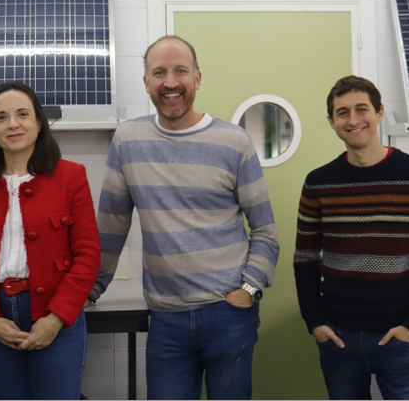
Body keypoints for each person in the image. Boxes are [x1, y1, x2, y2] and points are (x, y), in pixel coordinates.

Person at [88, 35, 280, 400]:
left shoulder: (234, 142)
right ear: (146, 82)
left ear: (197, 78)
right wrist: (91, 289)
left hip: (228, 313)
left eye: (181, 71)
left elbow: (266, 231)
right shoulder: (128, 140)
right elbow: (111, 227)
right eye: (159, 73)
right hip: (166, 318)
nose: (170, 82)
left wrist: (250, 289)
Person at [294, 75, 409, 400]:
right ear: (332, 122)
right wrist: (314, 322)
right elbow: (305, 260)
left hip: (400, 336)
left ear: (380, 112)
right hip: (338, 338)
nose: (353, 120)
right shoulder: (318, 183)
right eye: (342, 113)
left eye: (361, 109)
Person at [0, 81, 100, 400]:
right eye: (1, 117)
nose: (12, 124)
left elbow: (87, 255)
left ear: (39, 122)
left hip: (55, 316)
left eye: (22, 114)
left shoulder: (71, 177)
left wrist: (56, 318)